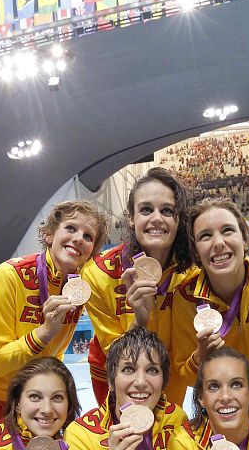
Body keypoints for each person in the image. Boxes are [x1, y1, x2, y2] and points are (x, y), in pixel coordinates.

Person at [0, 200, 108, 435]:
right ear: (50, 234)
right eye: (71, 228)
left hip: (29, 405)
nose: (78, 238)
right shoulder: (8, 276)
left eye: (88, 236)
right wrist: (43, 333)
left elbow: (55, 354)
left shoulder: (77, 291)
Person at [169, 198, 249, 420]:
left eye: (227, 230)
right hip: (221, 401)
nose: (218, 243)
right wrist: (200, 358)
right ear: (195, 251)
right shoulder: (185, 298)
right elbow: (185, 375)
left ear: (245, 238)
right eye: (205, 236)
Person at [82, 167, 193, 405]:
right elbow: (114, 356)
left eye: (167, 210)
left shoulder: (193, 272)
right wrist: (139, 321)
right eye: (146, 209)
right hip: (114, 372)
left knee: (167, 427)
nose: (156, 218)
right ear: (131, 218)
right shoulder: (98, 273)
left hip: (170, 372)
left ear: (178, 220)